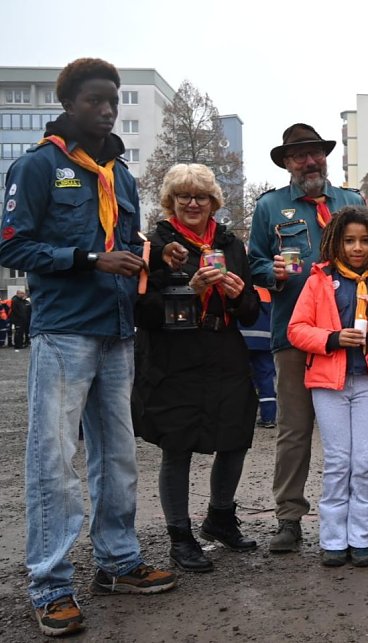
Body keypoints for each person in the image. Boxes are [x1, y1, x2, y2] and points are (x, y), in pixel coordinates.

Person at [0, 57, 176, 638]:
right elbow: (13, 248)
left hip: (117, 331)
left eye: (113, 100)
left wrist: (152, 254)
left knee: (118, 458)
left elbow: (125, 240)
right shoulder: (38, 167)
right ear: (69, 104)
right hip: (64, 332)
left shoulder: (120, 175)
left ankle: (118, 563)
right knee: (54, 462)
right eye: (95, 101)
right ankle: (50, 586)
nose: (106, 110)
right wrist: (87, 259)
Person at [133, 163, 260, 573]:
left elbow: (253, 312)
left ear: (213, 203)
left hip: (223, 346)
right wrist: (191, 291)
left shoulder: (229, 242)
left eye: (200, 196)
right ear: (171, 200)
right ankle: (180, 536)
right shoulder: (155, 244)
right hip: (174, 355)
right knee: (178, 444)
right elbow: (143, 311)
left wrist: (240, 296)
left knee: (236, 436)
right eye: (184, 196)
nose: (192, 203)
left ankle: (220, 518)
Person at [248, 123, 365, 553]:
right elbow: (253, 262)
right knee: (294, 430)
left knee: (350, 434)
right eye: (299, 155)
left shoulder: (352, 202)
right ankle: (289, 518)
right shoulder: (270, 207)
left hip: (347, 335)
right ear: (287, 163)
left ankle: (352, 516)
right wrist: (269, 273)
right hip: (295, 335)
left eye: (315, 152)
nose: (309, 161)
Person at [288, 205, 368, 567]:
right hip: (329, 383)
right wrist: (332, 339)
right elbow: (296, 329)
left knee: (365, 460)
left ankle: (361, 538)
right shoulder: (319, 279)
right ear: (336, 242)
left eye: (364, 241)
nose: (357, 248)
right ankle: (332, 540)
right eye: (349, 241)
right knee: (338, 461)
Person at [239, 285, 277, 428]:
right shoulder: (267, 291)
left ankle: (241, 417)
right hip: (265, 341)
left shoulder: (242, 287)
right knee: (266, 377)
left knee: (241, 378)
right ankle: (268, 417)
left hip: (243, 340)